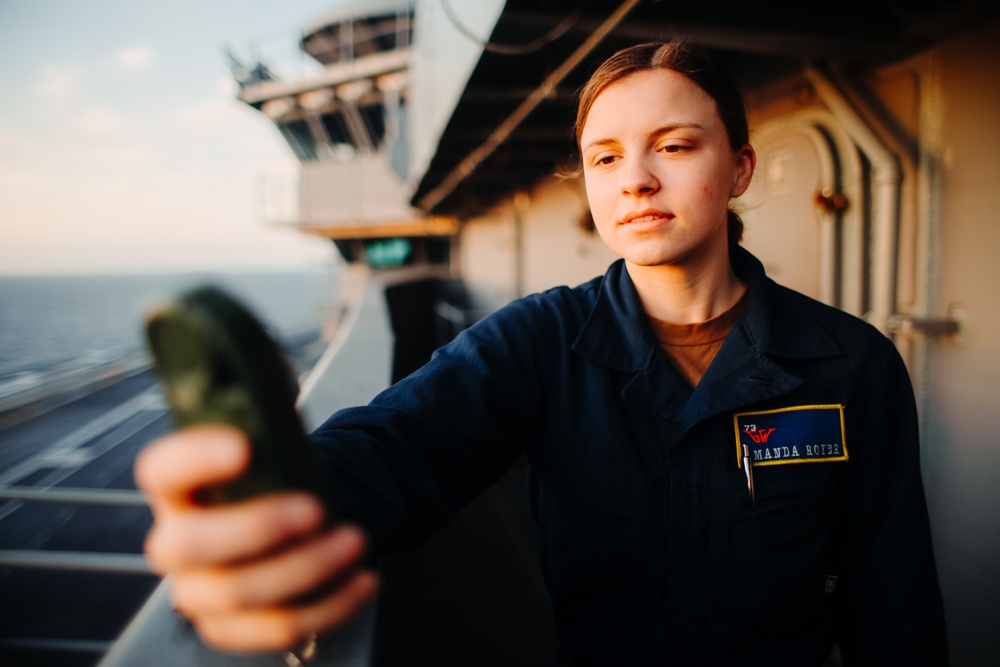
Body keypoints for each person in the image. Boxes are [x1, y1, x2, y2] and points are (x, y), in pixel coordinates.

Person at [136, 41, 948, 665]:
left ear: (737, 170)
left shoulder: (852, 364)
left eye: (674, 145)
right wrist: (274, 504)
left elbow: (898, 609)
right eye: (605, 157)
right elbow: (394, 445)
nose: (634, 179)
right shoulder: (543, 341)